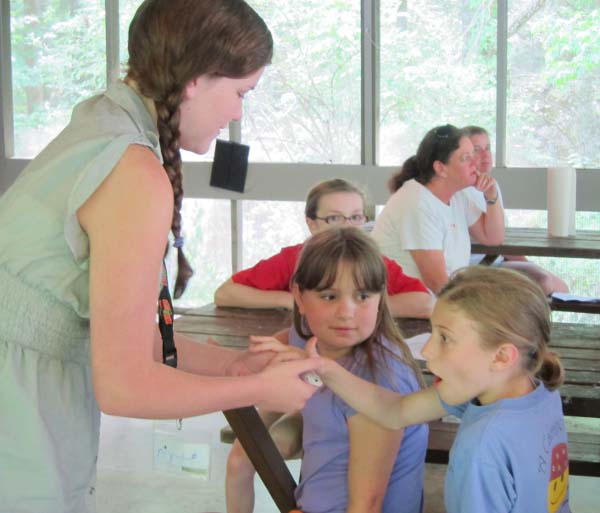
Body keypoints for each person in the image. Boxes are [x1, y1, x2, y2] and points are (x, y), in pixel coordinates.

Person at [0, 2, 322, 512]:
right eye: (240, 93)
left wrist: (235, 365)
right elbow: (124, 385)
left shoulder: (103, 120)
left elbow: (130, 340)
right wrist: (259, 388)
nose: (238, 113)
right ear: (196, 78)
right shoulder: (132, 170)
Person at [311, 266, 571, 513]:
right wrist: (327, 369)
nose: (426, 351)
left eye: (445, 338)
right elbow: (394, 411)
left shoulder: (482, 446)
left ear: (501, 357)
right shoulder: (537, 389)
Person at [228, 227, 429, 513]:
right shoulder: (307, 334)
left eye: (362, 296)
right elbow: (239, 461)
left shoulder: (380, 380)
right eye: (329, 296)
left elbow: (367, 506)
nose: (346, 312)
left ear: (381, 296)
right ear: (299, 296)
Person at [215, 178, 434, 318]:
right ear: (312, 224)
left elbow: (423, 303)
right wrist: (290, 301)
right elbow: (225, 294)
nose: (348, 226)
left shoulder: (373, 261)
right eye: (335, 218)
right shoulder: (294, 259)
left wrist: (359, 305)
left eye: (356, 217)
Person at [371, 124, 505, 294]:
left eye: (474, 154)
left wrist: (491, 195)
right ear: (441, 168)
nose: (476, 162)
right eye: (466, 158)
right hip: (410, 309)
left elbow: (493, 238)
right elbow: (438, 284)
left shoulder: (458, 195)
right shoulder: (416, 203)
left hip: (440, 300)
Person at [464, 125, 569, 295]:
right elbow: (495, 240)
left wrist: (529, 264)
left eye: (488, 148)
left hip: (497, 260)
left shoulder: (491, 185)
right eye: (477, 150)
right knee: (543, 283)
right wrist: (529, 265)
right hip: (476, 267)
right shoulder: (462, 190)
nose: (486, 156)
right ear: (465, 156)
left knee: (561, 287)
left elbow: (502, 240)